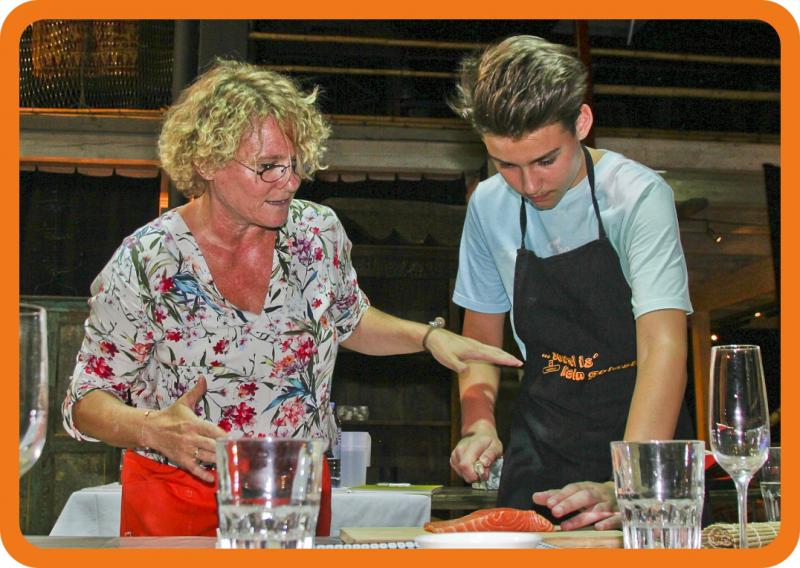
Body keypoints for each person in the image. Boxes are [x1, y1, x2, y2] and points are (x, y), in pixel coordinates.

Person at [61, 59, 522, 538]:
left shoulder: (315, 233)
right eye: (268, 167)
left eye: (295, 163)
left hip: (296, 488)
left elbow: (347, 320)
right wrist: (151, 428)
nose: (291, 181)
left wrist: (427, 338)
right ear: (206, 162)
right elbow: (84, 401)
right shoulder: (148, 260)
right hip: (179, 492)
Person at [446, 36, 695, 530]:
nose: (529, 185)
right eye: (506, 164)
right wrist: (479, 423)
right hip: (542, 442)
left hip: (643, 435)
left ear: (581, 123)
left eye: (545, 160)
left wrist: (631, 484)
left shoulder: (638, 196)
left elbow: (663, 346)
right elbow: (480, 342)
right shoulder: (488, 206)